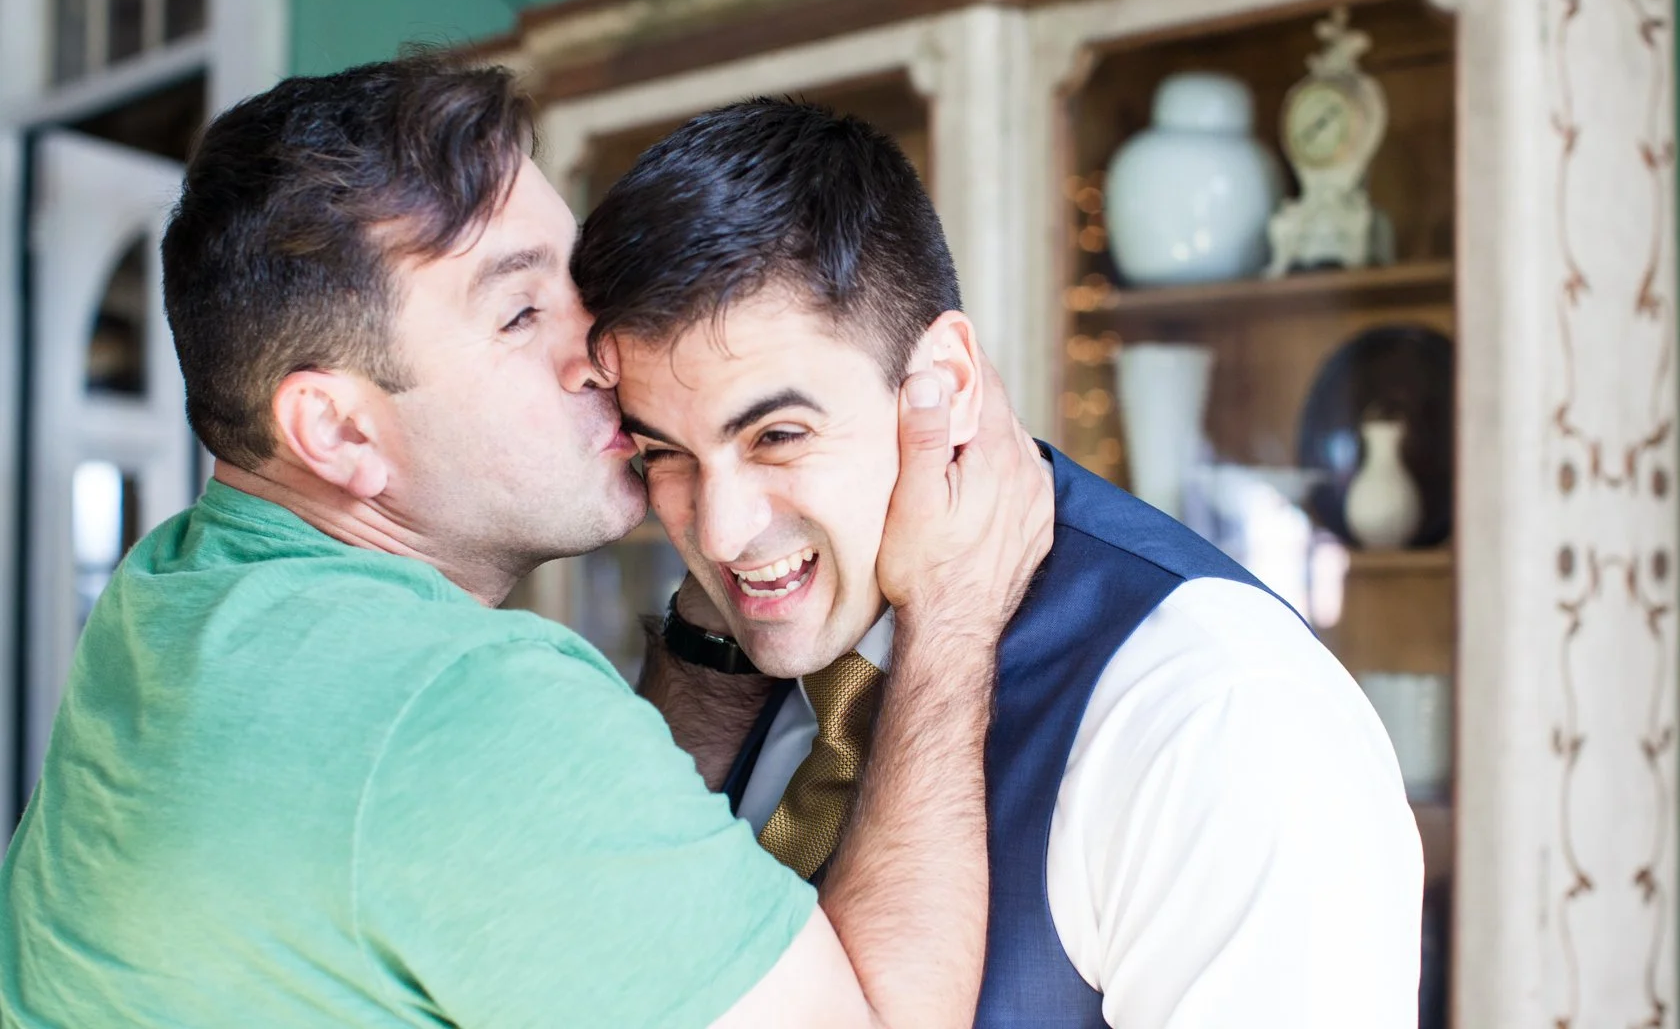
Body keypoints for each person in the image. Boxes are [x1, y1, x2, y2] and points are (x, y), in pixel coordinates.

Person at [0, 59, 1055, 1028]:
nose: (599, 347)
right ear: (338, 430)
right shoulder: (463, 708)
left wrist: (714, 618)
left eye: (577, 281)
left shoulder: (177, 591)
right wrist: (953, 612)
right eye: (519, 312)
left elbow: (579, 910)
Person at [570, 97, 1427, 1029]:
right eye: (665, 453)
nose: (723, 532)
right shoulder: (769, 643)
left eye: (778, 435)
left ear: (948, 382)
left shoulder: (1216, 711)